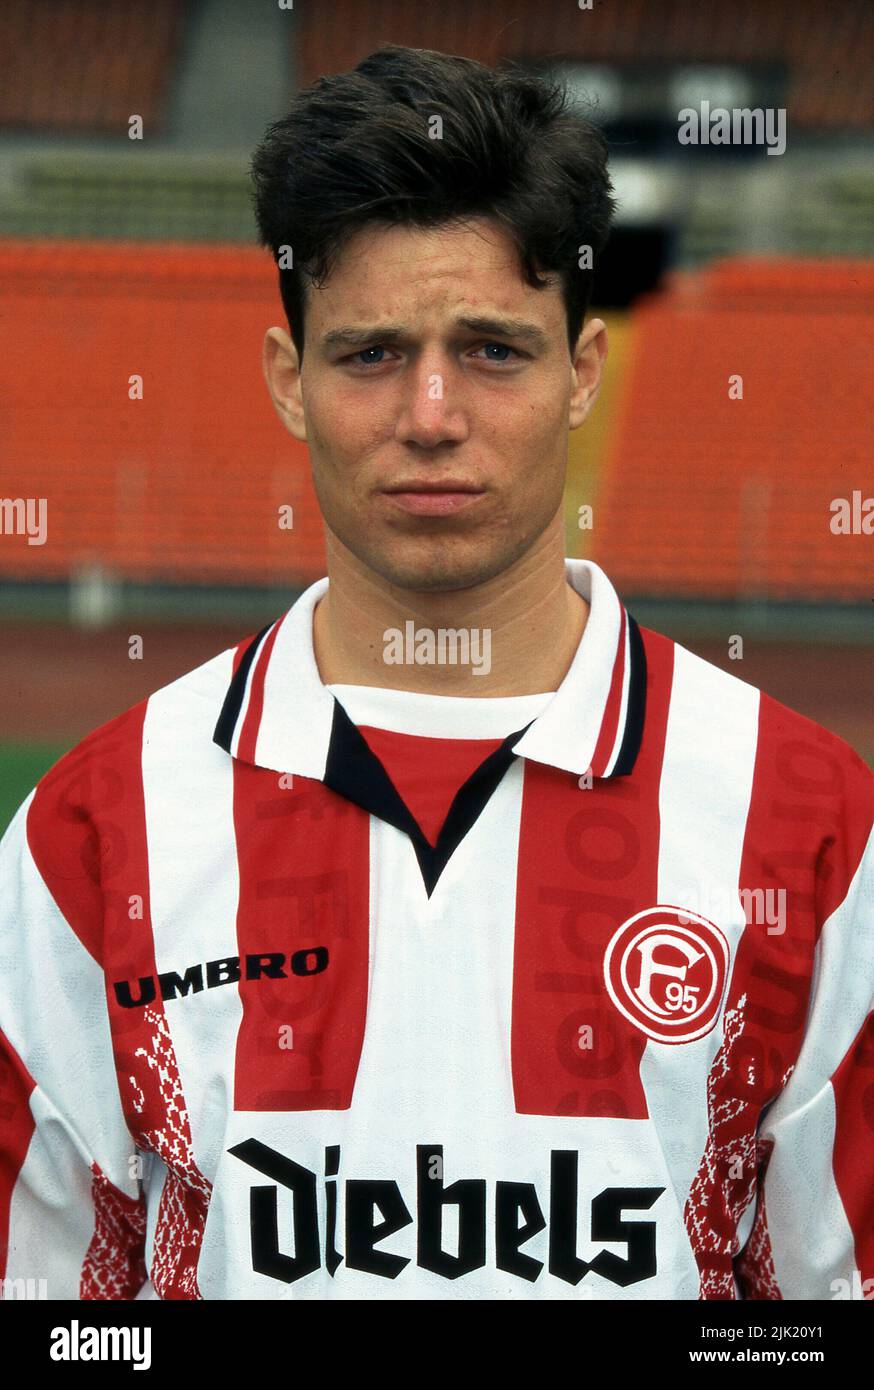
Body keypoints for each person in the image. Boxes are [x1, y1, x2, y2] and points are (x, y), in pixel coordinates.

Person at [0, 44, 871, 1302]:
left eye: (492, 351)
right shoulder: (94, 835)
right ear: (288, 381)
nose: (428, 413)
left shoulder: (809, 829)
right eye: (366, 355)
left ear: (582, 370)